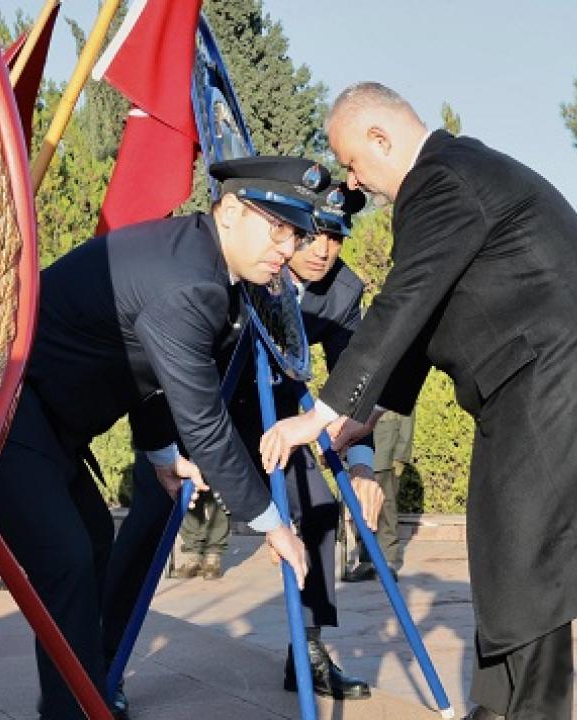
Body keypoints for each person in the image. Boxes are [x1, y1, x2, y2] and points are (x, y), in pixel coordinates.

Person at [259, 82, 577, 720]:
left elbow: (402, 303)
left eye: (351, 162)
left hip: (557, 385)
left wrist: (323, 412)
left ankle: (532, 712)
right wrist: (366, 415)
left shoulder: (444, 179)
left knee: (534, 562)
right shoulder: (459, 174)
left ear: (381, 138)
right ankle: (498, 706)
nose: (353, 182)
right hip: (544, 385)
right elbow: (424, 323)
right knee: (508, 551)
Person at [0, 156, 320, 720]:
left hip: (44, 418)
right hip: (6, 408)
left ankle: (82, 701)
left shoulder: (200, 260)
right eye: (276, 228)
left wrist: (160, 454)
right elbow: (204, 423)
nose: (286, 247)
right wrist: (271, 523)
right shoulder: (191, 281)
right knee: (66, 559)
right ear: (231, 211)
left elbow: (153, 375)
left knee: (87, 546)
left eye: (295, 233)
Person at [102, 182, 385, 702]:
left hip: (270, 421)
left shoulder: (343, 292)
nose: (322, 249)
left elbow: (357, 384)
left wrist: (363, 465)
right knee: (150, 522)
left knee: (319, 509)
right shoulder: (245, 263)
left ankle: (310, 649)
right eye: (312, 234)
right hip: (193, 406)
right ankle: (105, 658)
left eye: (337, 238)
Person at [346, 408, 414, 581]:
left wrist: (401, 456)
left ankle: (388, 561)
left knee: (386, 512)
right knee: (362, 511)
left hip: (385, 456)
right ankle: (366, 560)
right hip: (361, 460)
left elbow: (407, 417)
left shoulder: (395, 384)